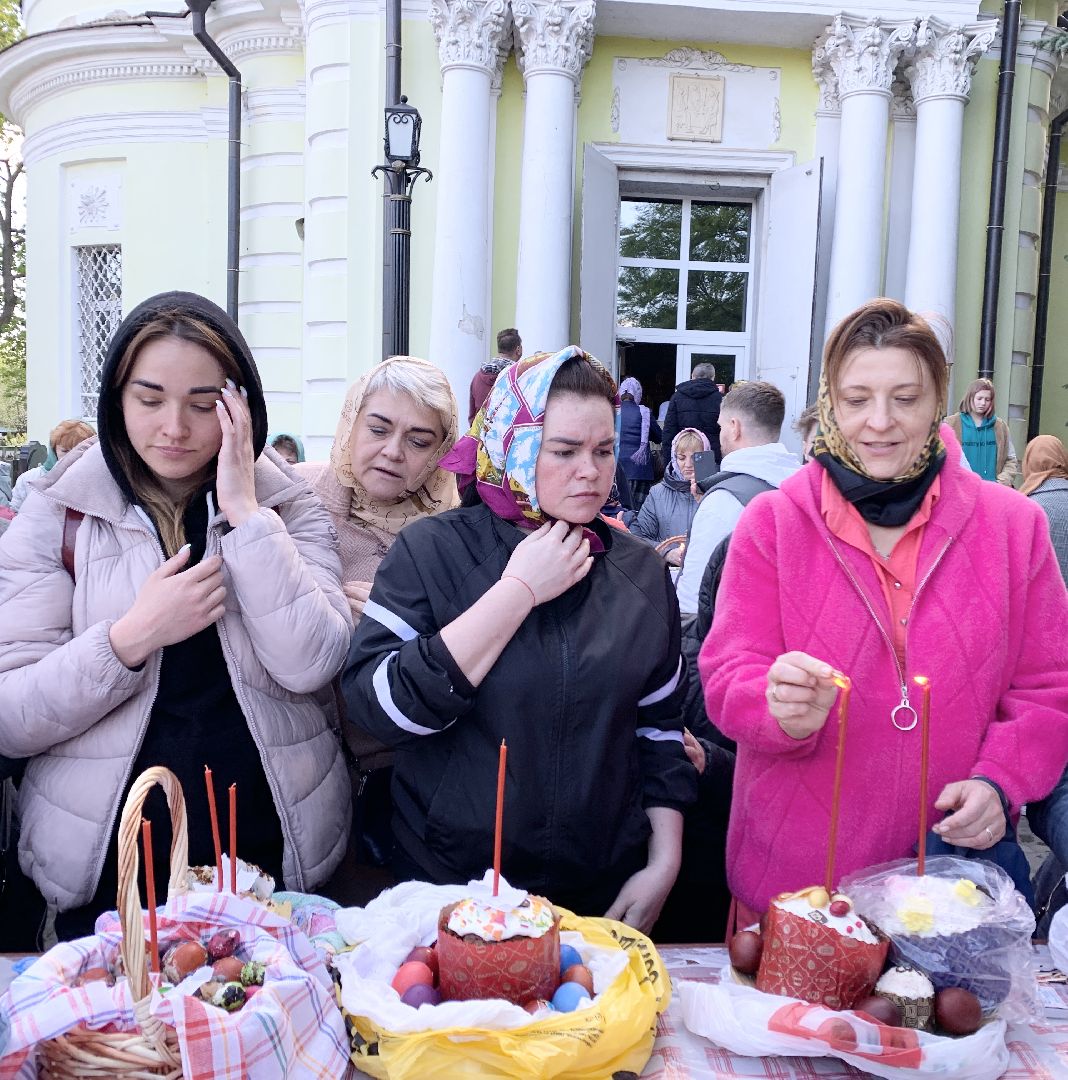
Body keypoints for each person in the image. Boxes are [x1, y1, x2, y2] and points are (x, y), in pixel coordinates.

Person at [700, 299, 1068, 920]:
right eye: (857, 398)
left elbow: (1047, 688)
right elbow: (726, 672)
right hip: (796, 888)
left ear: (938, 403)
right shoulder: (773, 523)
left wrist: (999, 781)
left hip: (947, 892)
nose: (879, 422)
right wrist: (774, 704)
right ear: (831, 404)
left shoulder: (1014, 529)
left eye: (905, 397)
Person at [0, 291, 353, 937]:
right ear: (116, 398)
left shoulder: (289, 507)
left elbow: (312, 664)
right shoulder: (58, 513)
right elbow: (12, 714)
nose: (175, 428)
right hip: (109, 863)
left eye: (203, 403)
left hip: (265, 854)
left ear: (241, 404)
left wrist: (247, 513)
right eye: (151, 398)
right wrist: (130, 639)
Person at [342, 346, 697, 933]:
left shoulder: (638, 571)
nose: (590, 471)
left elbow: (658, 728)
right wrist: (517, 593)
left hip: (597, 893)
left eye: (604, 451)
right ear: (513, 443)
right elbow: (381, 710)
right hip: (451, 888)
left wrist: (664, 859)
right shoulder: (433, 551)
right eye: (563, 451)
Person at [295, 355, 460, 867]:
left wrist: (411, 635)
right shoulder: (295, 499)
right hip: (305, 766)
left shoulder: (457, 534)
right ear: (351, 422)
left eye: (418, 440)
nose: (393, 452)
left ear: (441, 452)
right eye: (379, 428)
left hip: (411, 781)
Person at [675, 382, 799, 616]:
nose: (720, 434)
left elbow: (693, 600)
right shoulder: (804, 489)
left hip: (735, 640)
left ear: (734, 428)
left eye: (720, 426)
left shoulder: (724, 502)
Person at [625, 428, 708, 565]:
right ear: (674, 458)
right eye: (681, 458)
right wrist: (667, 553)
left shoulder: (717, 492)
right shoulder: (657, 493)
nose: (688, 465)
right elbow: (640, 539)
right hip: (667, 574)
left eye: (695, 458)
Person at [945, 377, 1019, 485]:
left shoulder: (1000, 427)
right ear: (970, 398)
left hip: (993, 491)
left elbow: (1011, 459)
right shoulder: (951, 424)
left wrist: (1003, 481)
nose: (983, 403)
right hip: (962, 489)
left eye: (987, 399)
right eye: (979, 398)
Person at [9, 420, 95, 512]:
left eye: (78, 451)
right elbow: (15, 515)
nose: (71, 456)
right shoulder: (29, 479)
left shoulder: (100, 481)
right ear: (54, 450)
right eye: (65, 451)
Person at [662, 362, 723, 464]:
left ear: (692, 376)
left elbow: (669, 430)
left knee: (683, 480)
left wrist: (668, 460)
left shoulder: (677, 397)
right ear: (713, 377)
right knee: (707, 479)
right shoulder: (720, 399)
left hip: (683, 454)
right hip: (711, 454)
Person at [618, 376, 662, 510]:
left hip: (616, 470)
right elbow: (659, 437)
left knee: (618, 512)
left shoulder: (612, 412)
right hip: (640, 471)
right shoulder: (645, 413)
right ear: (638, 394)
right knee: (637, 512)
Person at [469, 328, 522, 425]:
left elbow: (472, 416)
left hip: (480, 437)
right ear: (518, 350)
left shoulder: (477, 377)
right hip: (507, 438)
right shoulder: (519, 378)